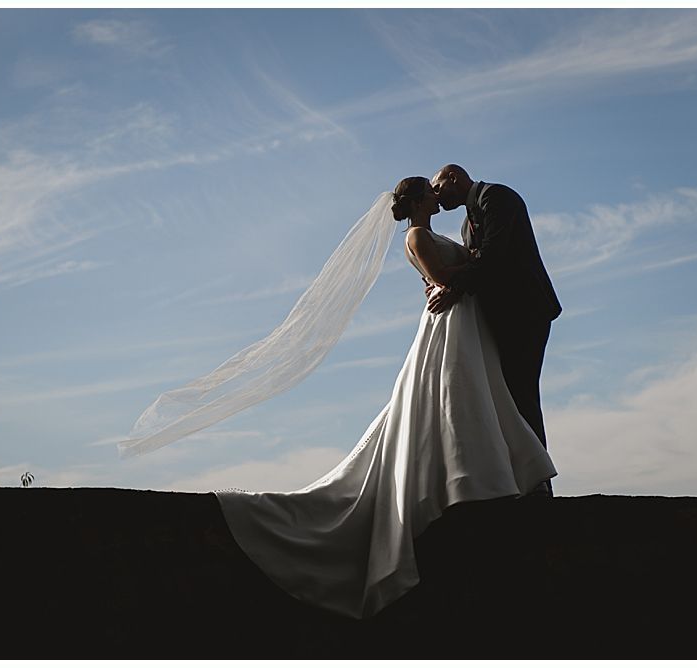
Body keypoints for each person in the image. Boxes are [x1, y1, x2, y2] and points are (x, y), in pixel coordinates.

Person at [204, 177, 557, 620]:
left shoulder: (454, 225)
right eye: (430, 190)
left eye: (436, 187)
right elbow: (442, 277)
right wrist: (449, 280)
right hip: (450, 326)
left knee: (479, 396)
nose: (436, 193)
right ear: (419, 200)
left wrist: (460, 275)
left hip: (468, 324)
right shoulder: (417, 235)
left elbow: (469, 268)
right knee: (457, 397)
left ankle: (488, 477)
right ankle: (469, 480)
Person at [427, 165, 562, 497]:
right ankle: (520, 476)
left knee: (522, 392)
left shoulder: (497, 197)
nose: (436, 195)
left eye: (438, 187)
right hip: (497, 317)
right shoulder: (465, 223)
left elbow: (494, 255)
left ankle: (538, 481)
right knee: (506, 396)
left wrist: (454, 284)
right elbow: (479, 262)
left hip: (524, 311)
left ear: (453, 178)